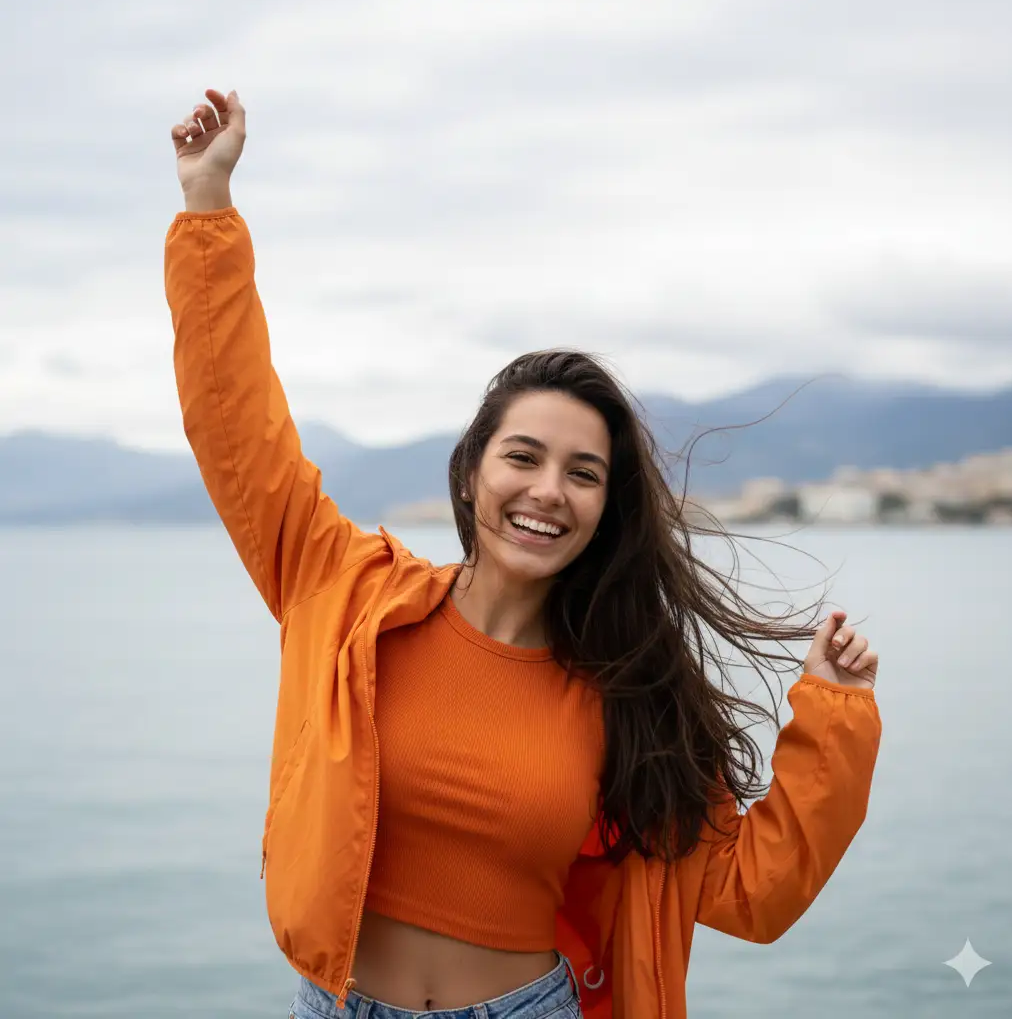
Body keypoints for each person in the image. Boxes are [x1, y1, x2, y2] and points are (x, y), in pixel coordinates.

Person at [165, 88, 882, 1019]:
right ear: (471, 475)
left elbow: (748, 887)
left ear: (604, 509)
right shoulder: (344, 592)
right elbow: (236, 429)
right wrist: (207, 208)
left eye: (584, 473)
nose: (548, 490)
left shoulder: (628, 692)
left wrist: (834, 716)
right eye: (523, 456)